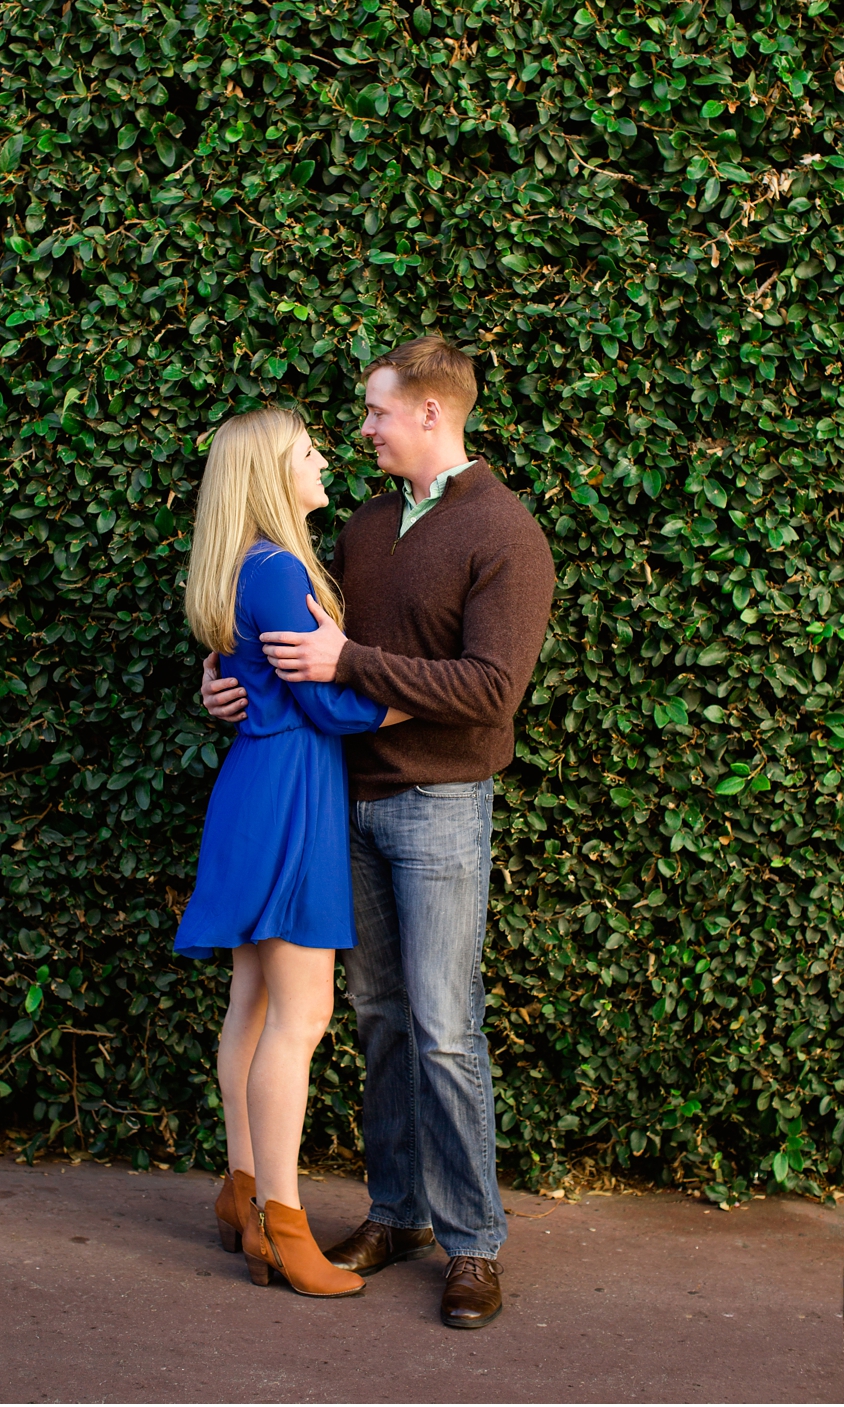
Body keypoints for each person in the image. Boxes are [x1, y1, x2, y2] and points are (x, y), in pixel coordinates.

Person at [201, 336, 555, 1329]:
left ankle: (472, 1241)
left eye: (376, 410)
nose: (361, 428)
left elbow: (490, 690)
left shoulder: (504, 533)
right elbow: (292, 654)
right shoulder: (360, 525)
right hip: (342, 802)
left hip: (440, 806)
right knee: (379, 1019)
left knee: (445, 1028)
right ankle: (396, 1211)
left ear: (430, 414)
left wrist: (356, 665)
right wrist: (230, 682)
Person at [175, 406, 411, 1299]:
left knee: (255, 1000)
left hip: (260, 786)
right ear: (272, 473)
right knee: (300, 1018)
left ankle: (243, 1193)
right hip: (288, 796)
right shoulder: (278, 568)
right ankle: (282, 1223)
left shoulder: (247, 563)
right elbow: (327, 698)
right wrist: (415, 700)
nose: (326, 461)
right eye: (308, 452)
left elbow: (262, 679)